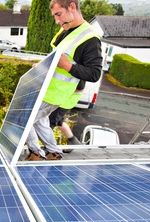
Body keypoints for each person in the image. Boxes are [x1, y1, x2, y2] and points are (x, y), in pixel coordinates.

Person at [25, 0, 102, 161]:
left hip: (56, 93)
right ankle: (53, 152)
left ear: (72, 7)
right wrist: (41, 66)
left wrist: (67, 65)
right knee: (40, 122)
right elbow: (55, 58)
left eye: (59, 14)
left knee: (26, 118)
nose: (57, 20)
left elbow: (94, 74)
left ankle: (35, 153)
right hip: (45, 88)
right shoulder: (66, 30)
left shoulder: (90, 39)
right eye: (55, 16)